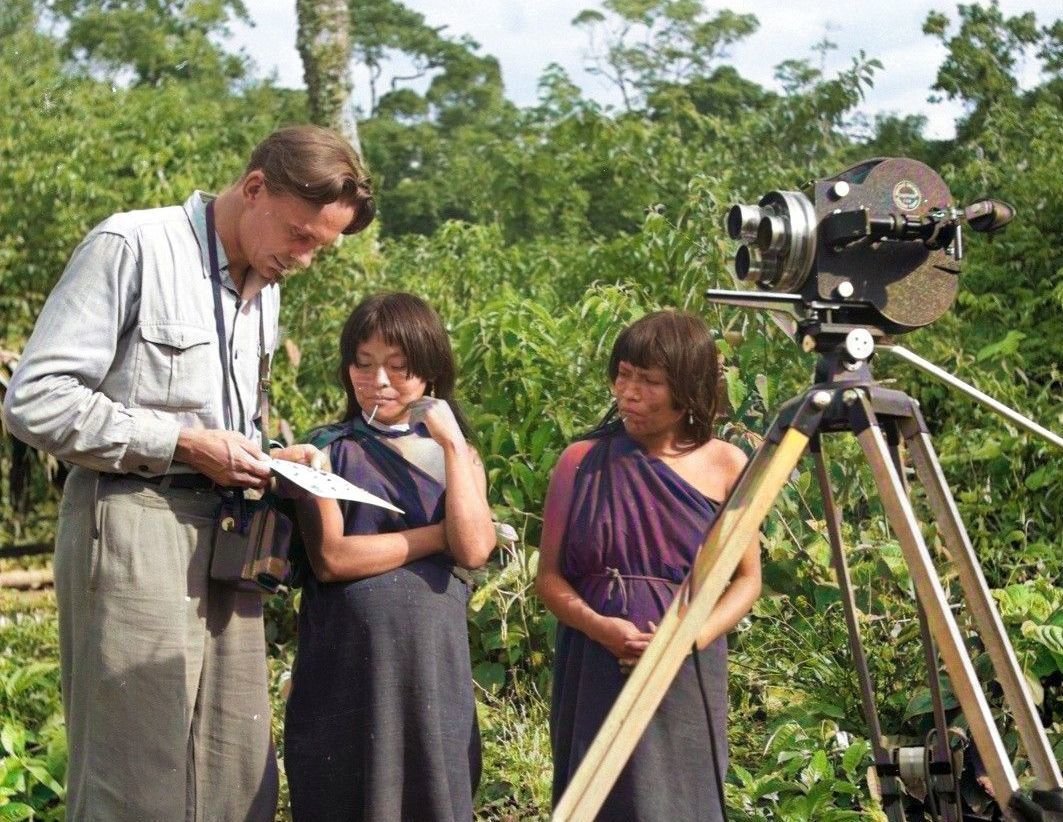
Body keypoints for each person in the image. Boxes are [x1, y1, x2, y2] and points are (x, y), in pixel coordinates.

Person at [1, 125, 375, 821]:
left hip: (231, 538)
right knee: (134, 773)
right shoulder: (132, 245)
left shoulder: (266, 287)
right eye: (300, 235)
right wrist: (181, 443)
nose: (306, 258)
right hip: (133, 519)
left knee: (235, 773)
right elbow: (35, 400)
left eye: (321, 247)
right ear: (255, 187)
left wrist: (266, 455)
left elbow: (228, 418)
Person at [536, 310, 762, 820]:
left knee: (679, 803)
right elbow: (549, 579)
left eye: (650, 381)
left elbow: (747, 581)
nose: (629, 393)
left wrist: (682, 641)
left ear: (687, 389)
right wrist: (601, 627)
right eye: (624, 375)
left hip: (684, 667)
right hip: (596, 661)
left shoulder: (727, 464)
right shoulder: (579, 461)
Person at [284, 291, 496, 822]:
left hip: (430, 666)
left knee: (433, 795)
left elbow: (473, 547)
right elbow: (333, 557)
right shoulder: (325, 451)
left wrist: (450, 446)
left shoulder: (457, 454)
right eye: (364, 364)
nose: (378, 381)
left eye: (398, 368)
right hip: (347, 669)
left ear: (429, 374)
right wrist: (436, 535)